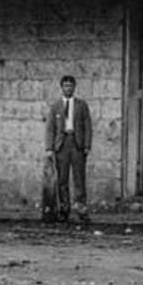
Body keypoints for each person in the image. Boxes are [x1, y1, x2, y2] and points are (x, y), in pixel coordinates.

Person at [45, 75, 93, 223]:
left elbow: (88, 127)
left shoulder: (81, 105)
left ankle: (81, 208)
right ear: (62, 87)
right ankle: (64, 209)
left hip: (77, 143)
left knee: (79, 178)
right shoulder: (55, 107)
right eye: (65, 85)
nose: (68, 88)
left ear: (74, 87)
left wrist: (86, 146)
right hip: (62, 144)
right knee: (62, 179)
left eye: (70, 85)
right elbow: (50, 129)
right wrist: (49, 148)